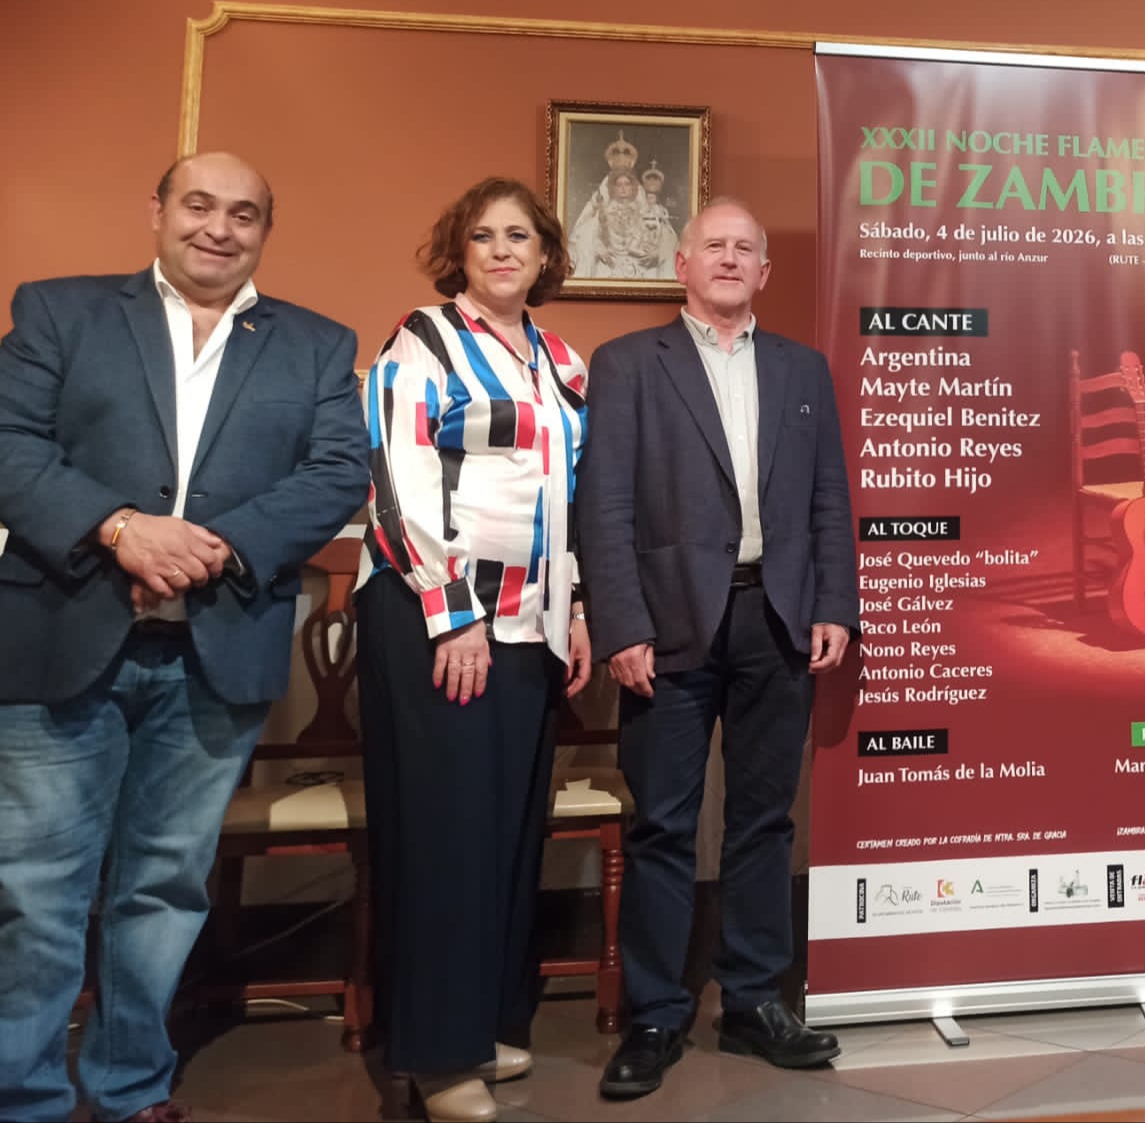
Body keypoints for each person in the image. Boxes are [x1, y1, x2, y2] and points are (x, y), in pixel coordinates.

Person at [0, 152, 368, 1123]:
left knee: (164, 889)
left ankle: (129, 1088)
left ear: (264, 231)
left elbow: (338, 472)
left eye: (243, 213)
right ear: (157, 210)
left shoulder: (317, 344)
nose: (219, 227)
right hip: (60, 643)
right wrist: (120, 527)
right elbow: (8, 441)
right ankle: (23, 1097)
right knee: (38, 893)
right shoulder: (60, 311)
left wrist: (213, 547)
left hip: (216, 652)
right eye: (198, 204)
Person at [577, 197, 856, 1099]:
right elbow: (603, 505)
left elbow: (828, 498)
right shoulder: (627, 364)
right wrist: (620, 623)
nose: (730, 259)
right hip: (666, 625)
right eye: (714, 246)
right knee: (661, 821)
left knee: (764, 820)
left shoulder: (803, 367)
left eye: (745, 248)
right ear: (682, 264)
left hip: (777, 616)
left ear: (764, 272)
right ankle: (656, 1013)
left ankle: (753, 1000)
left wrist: (833, 603)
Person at [357, 177, 593, 1122]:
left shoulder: (561, 358)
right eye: (485, 236)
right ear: (459, 251)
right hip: (439, 619)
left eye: (520, 236)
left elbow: (567, 493)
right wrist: (452, 611)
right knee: (446, 832)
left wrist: (576, 606)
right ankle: (436, 1052)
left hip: (532, 625)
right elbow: (394, 477)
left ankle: (489, 1020)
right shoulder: (422, 339)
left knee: (507, 828)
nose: (503, 250)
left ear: (545, 255)